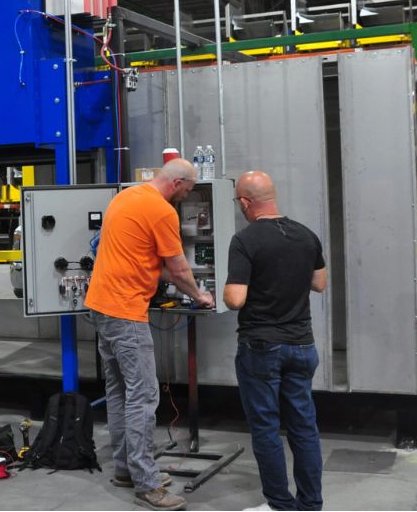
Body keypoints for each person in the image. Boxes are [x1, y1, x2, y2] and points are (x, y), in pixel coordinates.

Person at [85, 158, 215, 512]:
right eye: (188, 192)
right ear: (178, 184)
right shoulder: (162, 211)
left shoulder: (125, 197)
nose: (186, 199)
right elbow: (177, 267)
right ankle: (147, 484)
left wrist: (170, 279)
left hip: (100, 306)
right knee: (143, 397)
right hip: (126, 313)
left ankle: (126, 468)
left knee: (119, 391)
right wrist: (200, 295)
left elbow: (141, 259)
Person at [223, 171, 328, 512]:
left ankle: (280, 505)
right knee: (303, 426)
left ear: (244, 202)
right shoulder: (306, 235)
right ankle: (311, 504)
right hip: (302, 344)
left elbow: (235, 299)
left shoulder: (245, 240)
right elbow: (319, 283)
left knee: (266, 428)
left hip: (261, 346)